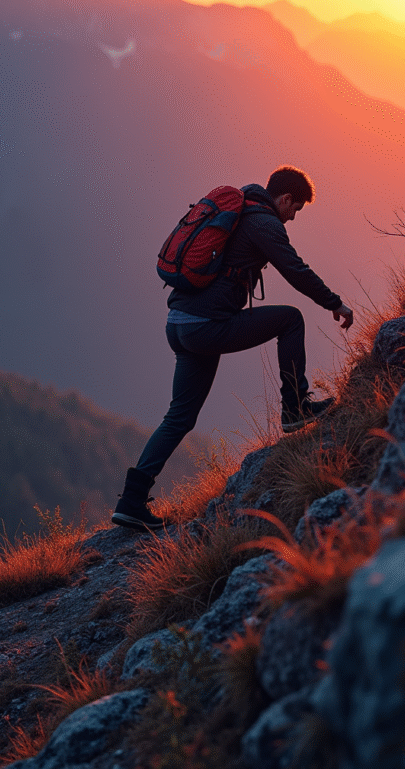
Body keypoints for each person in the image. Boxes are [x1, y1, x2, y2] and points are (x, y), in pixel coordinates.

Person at [112, 165, 354, 531]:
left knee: (179, 417)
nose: (293, 217)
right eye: (296, 209)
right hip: (206, 326)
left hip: (179, 324)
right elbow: (295, 269)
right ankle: (295, 407)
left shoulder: (238, 211)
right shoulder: (264, 223)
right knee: (291, 319)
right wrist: (335, 303)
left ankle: (131, 501)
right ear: (285, 199)